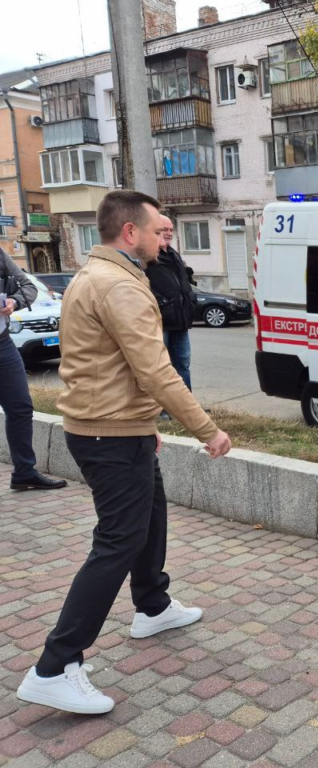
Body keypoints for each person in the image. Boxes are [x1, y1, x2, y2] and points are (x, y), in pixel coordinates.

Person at [16, 191, 233, 716]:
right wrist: (208, 430)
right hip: (106, 434)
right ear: (130, 233)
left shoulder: (99, 274)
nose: (168, 238)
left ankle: (152, 604)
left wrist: (140, 423)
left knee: (149, 514)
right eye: (160, 230)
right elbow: (156, 370)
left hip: (114, 426)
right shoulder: (120, 285)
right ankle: (55, 665)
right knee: (118, 539)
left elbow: (107, 362)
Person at [0, 247, 67, 492]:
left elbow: (27, 286)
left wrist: (14, 301)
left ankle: (24, 472)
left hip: (2, 343)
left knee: (20, 407)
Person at [147, 215, 197, 391]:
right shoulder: (147, 256)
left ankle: (187, 404)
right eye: (163, 230)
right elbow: (142, 285)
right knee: (162, 366)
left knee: (183, 363)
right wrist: (161, 301)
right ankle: (164, 409)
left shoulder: (173, 253)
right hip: (162, 321)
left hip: (180, 320)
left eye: (170, 230)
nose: (168, 233)